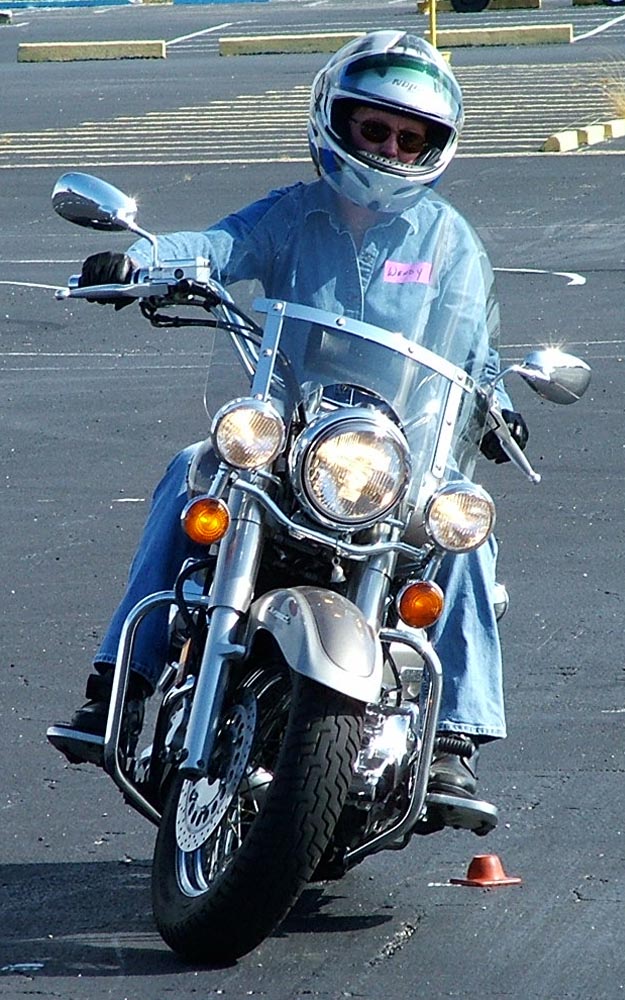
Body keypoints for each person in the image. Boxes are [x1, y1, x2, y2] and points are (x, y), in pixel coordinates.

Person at [51, 30, 528, 802]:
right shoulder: (293, 215)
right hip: (290, 434)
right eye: (374, 128)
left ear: (434, 148)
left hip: (389, 456)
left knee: (466, 525)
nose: (390, 148)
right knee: (192, 470)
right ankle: (120, 685)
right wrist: (144, 261)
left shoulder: (451, 245)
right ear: (336, 123)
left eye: (409, 138)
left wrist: (500, 405)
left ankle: (453, 738)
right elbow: (216, 247)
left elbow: (477, 351)